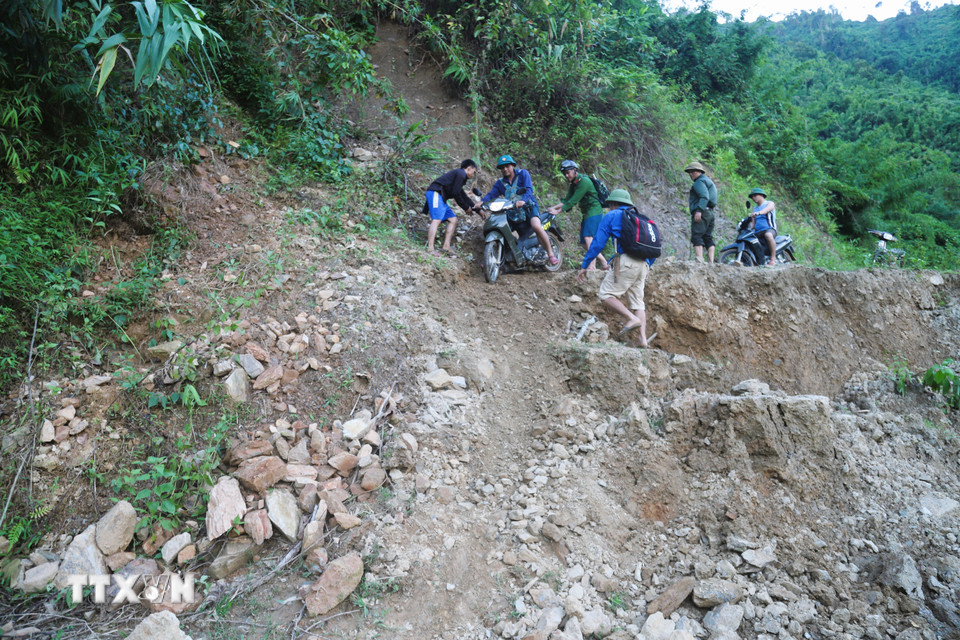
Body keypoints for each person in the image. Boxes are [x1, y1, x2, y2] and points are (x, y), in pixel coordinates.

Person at [577, 189, 651, 348]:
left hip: (626, 261)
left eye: (609, 204)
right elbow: (652, 243)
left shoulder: (612, 215)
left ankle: (631, 318)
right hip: (643, 264)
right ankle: (642, 339)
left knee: (605, 294)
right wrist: (648, 265)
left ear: (613, 204)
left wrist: (585, 265)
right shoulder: (641, 218)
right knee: (638, 304)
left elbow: (598, 243)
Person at [481, 154, 558, 266]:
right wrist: (481, 203)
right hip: (512, 212)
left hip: (529, 207)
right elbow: (491, 195)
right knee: (501, 228)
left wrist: (523, 200)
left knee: (536, 226)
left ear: (513, 165)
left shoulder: (523, 174)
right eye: (502, 167)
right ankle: (493, 258)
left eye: (507, 166)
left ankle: (551, 254)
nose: (505, 169)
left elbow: (529, 190)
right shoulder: (500, 183)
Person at [547, 159, 608, 270]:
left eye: (568, 172)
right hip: (586, 212)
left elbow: (573, 201)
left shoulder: (584, 182)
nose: (566, 175)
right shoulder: (574, 183)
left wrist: (558, 211)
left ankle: (592, 266)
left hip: (594, 211)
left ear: (575, 170)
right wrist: (553, 208)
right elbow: (567, 200)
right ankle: (604, 263)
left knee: (588, 238)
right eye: (564, 173)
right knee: (584, 243)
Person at [424, 159, 480, 257]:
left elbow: (463, 195)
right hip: (435, 193)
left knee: (453, 219)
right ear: (469, 168)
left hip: (441, 197)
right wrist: (466, 207)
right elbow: (456, 194)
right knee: (437, 219)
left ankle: (446, 246)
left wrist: (478, 210)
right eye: (474, 172)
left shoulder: (460, 176)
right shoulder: (461, 174)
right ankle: (430, 248)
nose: (473, 174)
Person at [685, 161, 718, 264]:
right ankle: (711, 262)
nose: (690, 174)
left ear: (699, 171)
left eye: (692, 171)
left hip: (702, 212)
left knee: (697, 235)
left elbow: (704, 196)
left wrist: (699, 210)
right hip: (710, 212)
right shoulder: (708, 181)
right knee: (708, 237)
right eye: (689, 172)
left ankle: (699, 260)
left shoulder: (699, 182)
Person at [748, 187, 778, 266]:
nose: (753, 198)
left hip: (770, 229)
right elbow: (753, 224)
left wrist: (758, 213)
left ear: (761, 195)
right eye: (752, 196)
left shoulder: (769, 203)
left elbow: (767, 210)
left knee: (768, 235)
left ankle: (773, 259)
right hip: (758, 232)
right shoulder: (755, 209)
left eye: (755, 195)